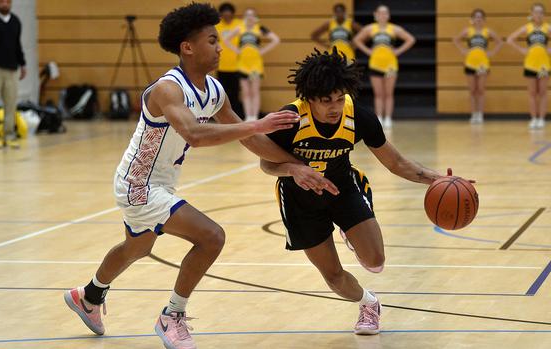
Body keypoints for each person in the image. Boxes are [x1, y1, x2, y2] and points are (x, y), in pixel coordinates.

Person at [63, 4, 335, 349]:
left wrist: (294, 165)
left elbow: (250, 139)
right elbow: (194, 133)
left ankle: (88, 295)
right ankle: (172, 316)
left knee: (138, 247)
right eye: (211, 40)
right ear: (187, 47)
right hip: (139, 184)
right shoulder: (168, 89)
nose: (220, 46)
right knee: (211, 237)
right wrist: (255, 123)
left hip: (160, 182)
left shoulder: (214, 90)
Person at [261, 48, 449, 335]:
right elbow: (266, 163)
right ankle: (369, 304)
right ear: (308, 98)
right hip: (299, 201)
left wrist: (437, 180)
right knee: (333, 276)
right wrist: (293, 169)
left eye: (339, 98)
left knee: (376, 261)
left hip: (342, 189)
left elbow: (396, 162)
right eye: (326, 101)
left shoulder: (358, 117)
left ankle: (349, 229)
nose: (334, 106)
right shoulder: (289, 119)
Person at [352, 4, 415, 129]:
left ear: (389, 15)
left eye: (385, 12)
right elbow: (356, 40)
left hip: (390, 65)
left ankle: (388, 118)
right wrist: (368, 51)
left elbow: (410, 39)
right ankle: (379, 117)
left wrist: (398, 51)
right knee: (378, 94)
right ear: (375, 15)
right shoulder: (370, 29)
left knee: (389, 93)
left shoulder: (394, 29)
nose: (383, 15)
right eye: (380, 13)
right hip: (375, 64)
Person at [223, 8, 280, 121]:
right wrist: (237, 50)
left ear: (255, 17)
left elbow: (275, 39)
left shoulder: (259, 28)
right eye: (247, 15)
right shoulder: (240, 28)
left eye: (251, 15)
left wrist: (262, 51)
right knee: (245, 92)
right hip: (243, 64)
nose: (249, 17)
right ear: (244, 17)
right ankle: (248, 117)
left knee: (254, 91)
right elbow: (226, 39)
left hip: (255, 65)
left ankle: (254, 116)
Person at [453, 9, 503, 124]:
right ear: (472, 19)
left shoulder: (487, 31)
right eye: (476, 17)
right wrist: (463, 50)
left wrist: (492, 53)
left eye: (480, 17)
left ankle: (480, 114)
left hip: (483, 64)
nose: (478, 19)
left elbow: (500, 42)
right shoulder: (468, 31)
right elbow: (456, 40)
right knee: (472, 90)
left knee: (480, 90)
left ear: (484, 20)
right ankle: (473, 114)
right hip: (470, 62)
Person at [507, 2, 550, 129]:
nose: (538, 14)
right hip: (530, 65)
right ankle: (533, 118)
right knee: (532, 93)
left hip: (543, 66)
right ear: (531, 14)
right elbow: (510, 39)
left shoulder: (547, 28)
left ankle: (542, 118)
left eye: (541, 12)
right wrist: (522, 50)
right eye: (536, 12)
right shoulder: (527, 28)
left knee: (542, 92)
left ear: (543, 14)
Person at [0, 0, 26, 149]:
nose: (4, 4)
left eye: (7, 1)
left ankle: (9, 133)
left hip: (12, 69)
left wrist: (22, 64)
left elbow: (17, 45)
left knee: (11, 104)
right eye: (1, 1)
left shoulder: (16, 22)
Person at [215, 2, 243, 118]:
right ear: (221, 14)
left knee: (235, 93)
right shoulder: (217, 26)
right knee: (222, 94)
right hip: (221, 66)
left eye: (228, 13)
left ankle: (236, 116)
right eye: (224, 13)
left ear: (232, 14)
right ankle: (222, 116)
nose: (226, 15)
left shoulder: (239, 25)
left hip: (237, 66)